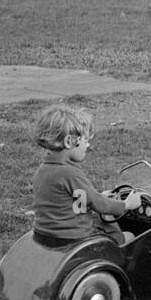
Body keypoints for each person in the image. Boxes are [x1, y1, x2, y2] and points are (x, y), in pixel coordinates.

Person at [32, 104, 139, 246]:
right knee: (129, 236)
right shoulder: (70, 173)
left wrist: (100, 195)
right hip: (75, 237)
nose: (88, 146)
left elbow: (72, 203)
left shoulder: (44, 170)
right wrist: (126, 204)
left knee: (101, 219)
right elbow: (99, 204)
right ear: (69, 141)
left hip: (46, 235)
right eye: (85, 140)